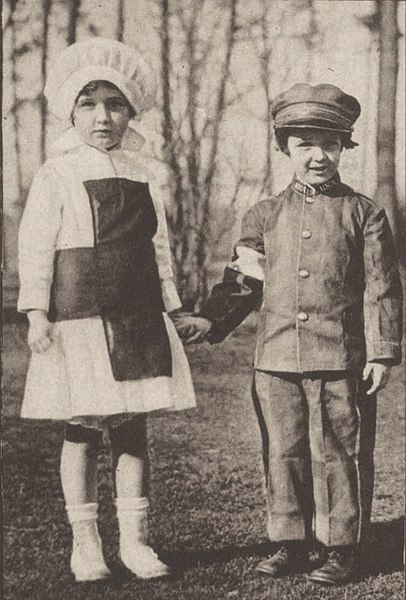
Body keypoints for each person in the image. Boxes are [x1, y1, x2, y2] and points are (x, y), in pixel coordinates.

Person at [195, 83, 403, 585]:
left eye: (329, 143)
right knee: (282, 450)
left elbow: (383, 288)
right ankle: (291, 542)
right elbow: (244, 282)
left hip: (341, 359)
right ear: (285, 145)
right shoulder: (264, 214)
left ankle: (342, 548)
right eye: (305, 143)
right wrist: (210, 320)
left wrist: (382, 352)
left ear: (343, 148)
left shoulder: (364, 213)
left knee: (340, 452)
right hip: (276, 359)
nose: (318, 155)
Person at [18, 38, 204, 582]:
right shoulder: (56, 172)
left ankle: (137, 543)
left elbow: (159, 249)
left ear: (131, 110)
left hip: (138, 314)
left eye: (115, 103)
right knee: (81, 428)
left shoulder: (146, 173)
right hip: (78, 317)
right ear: (70, 110)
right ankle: (86, 545)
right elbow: (36, 246)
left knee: (131, 429)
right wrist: (35, 312)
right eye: (89, 103)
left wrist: (172, 308)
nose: (103, 116)